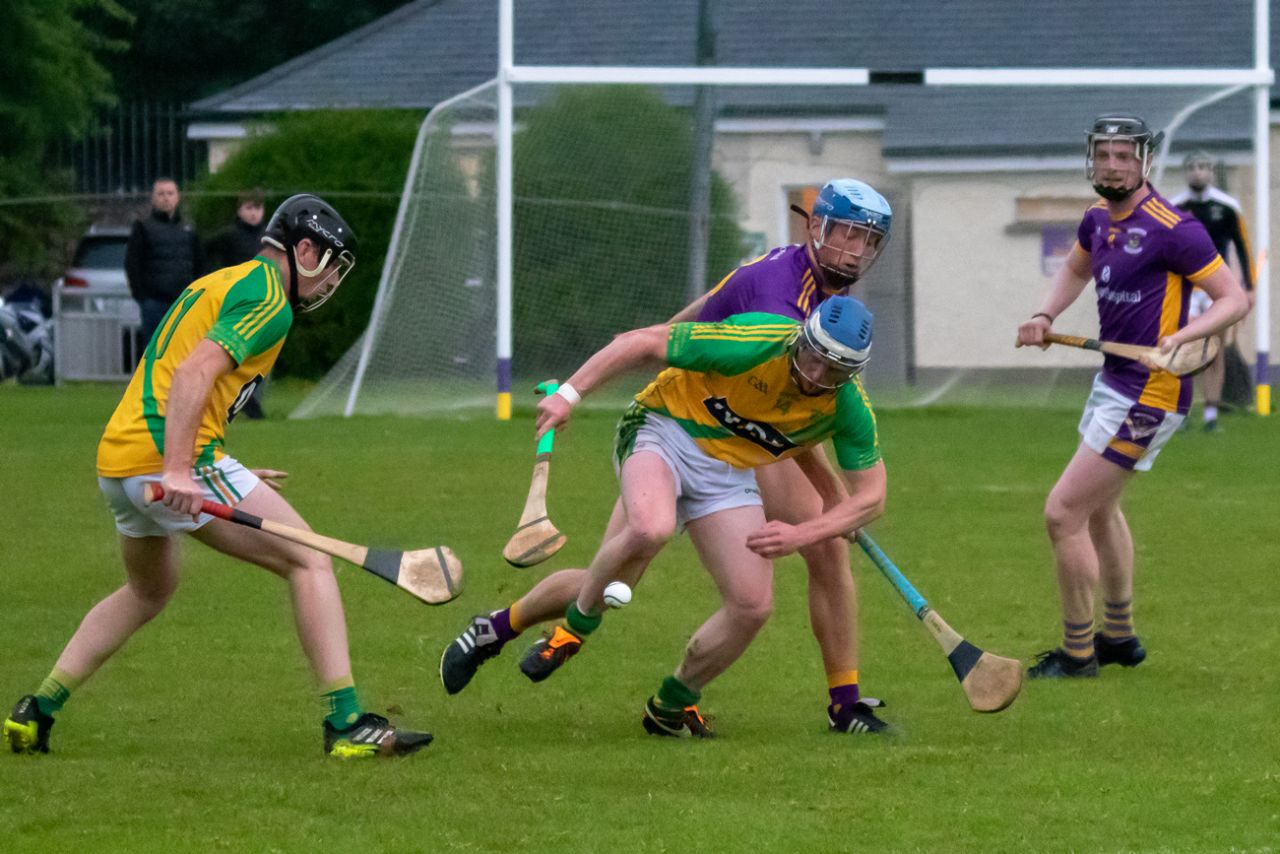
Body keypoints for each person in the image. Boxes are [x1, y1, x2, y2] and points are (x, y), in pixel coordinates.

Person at [441, 180, 896, 735]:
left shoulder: (838, 329)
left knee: (774, 582)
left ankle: (829, 702)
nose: (852, 250)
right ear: (815, 227)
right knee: (629, 555)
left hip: (741, 442)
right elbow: (696, 336)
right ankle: (529, 628)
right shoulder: (775, 299)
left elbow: (806, 407)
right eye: (845, 233)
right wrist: (587, 383)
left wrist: (828, 511)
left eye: (866, 240)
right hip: (684, 419)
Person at [4, 195, 432, 759]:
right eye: (330, 263)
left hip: (122, 463)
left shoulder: (227, 281)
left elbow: (178, 373)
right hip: (168, 463)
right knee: (311, 560)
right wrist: (184, 467)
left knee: (148, 590)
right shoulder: (270, 298)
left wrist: (221, 466)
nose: (331, 279)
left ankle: (37, 711)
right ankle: (346, 724)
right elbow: (193, 372)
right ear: (304, 251)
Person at [1016, 114, 1248, 679]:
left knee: (1063, 512)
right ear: (1091, 159)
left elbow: (1232, 299)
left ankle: (1078, 653)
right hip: (1115, 380)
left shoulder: (1174, 227)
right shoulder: (1097, 220)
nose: (1113, 165)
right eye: (1105, 155)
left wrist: (1185, 336)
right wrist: (1046, 314)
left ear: (1144, 163)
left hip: (1153, 390)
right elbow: (1076, 269)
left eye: (1124, 156)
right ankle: (1118, 636)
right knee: (1099, 510)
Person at [1168, 150, 1257, 430]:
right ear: (1186, 172)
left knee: (1214, 349)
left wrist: (1249, 288)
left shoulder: (1227, 206)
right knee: (1184, 348)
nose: (1198, 171)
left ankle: (1210, 416)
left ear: (1211, 171)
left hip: (1217, 290)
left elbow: (1243, 246)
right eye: (1193, 166)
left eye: (1204, 166)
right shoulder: (1175, 207)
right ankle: (1180, 413)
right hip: (1185, 289)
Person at [205, 188, 269, 419]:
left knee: (260, 356)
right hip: (236, 305)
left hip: (263, 305)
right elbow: (203, 253)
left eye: (258, 208)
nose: (254, 213)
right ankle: (245, 404)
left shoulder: (268, 237)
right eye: (249, 208)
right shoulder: (229, 235)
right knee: (235, 354)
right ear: (239, 210)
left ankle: (251, 400)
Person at [125, 178, 206, 348]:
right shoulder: (143, 227)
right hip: (154, 303)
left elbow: (200, 263)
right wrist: (142, 297)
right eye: (161, 194)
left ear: (178, 197)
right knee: (155, 353)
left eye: (170, 193)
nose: (166, 198)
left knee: (184, 351)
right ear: (153, 198)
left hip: (184, 302)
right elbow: (133, 264)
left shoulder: (188, 229)